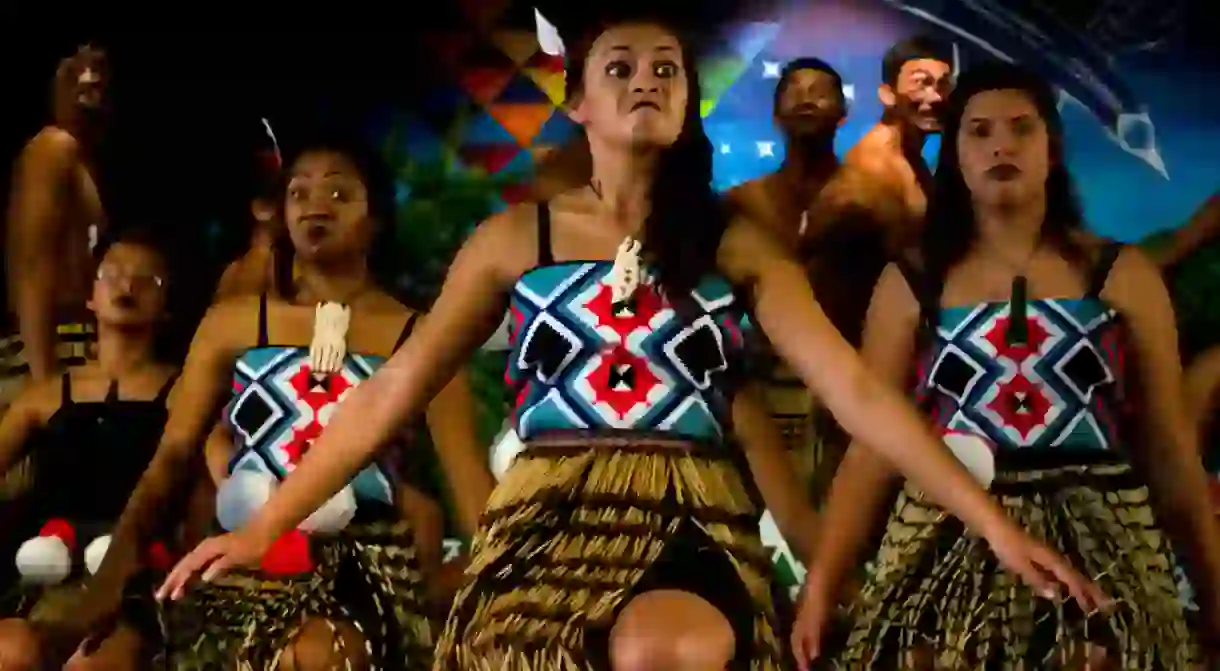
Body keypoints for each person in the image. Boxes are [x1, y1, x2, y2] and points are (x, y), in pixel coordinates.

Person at [160, 20, 1104, 671]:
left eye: (666, 69)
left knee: (671, 648)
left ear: (690, 103)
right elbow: (387, 393)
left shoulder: (735, 248)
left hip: (689, 518)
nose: (646, 80)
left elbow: (859, 396)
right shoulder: (514, 241)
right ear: (578, 102)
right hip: (544, 521)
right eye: (621, 67)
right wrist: (262, 524)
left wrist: (993, 521)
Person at [791, 63, 1220, 669]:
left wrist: (1213, 597)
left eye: (1021, 129)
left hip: (1102, 530)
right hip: (946, 525)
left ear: (1053, 148)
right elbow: (871, 449)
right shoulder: (914, 281)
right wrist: (821, 588)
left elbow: (1170, 449)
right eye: (979, 132)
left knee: (1092, 656)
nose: (1001, 145)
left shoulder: (1121, 275)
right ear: (957, 156)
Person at [25, 131, 484, 671]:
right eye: (299, 193)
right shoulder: (234, 322)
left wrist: (496, 584)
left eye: (339, 194)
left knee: (316, 654)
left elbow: (468, 481)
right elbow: (172, 458)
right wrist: (111, 578)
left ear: (377, 217)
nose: (315, 206)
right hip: (239, 549)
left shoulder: (418, 335)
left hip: (366, 561)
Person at [0, 229, 178, 670]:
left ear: (167, 307)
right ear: (90, 296)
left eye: (146, 280)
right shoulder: (46, 393)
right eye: (112, 274)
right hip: (43, 563)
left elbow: (210, 471)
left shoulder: (182, 390)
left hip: (136, 569)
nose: (127, 285)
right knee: (10, 651)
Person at [3, 44, 112, 399]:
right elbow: (31, 266)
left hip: (74, 347)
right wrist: (43, 383)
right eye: (75, 66)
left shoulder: (82, 159)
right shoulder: (53, 148)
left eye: (99, 66)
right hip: (46, 350)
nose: (89, 76)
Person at [807, 36, 954, 255]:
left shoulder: (909, 157)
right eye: (922, 83)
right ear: (888, 95)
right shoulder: (871, 173)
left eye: (942, 85)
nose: (936, 97)